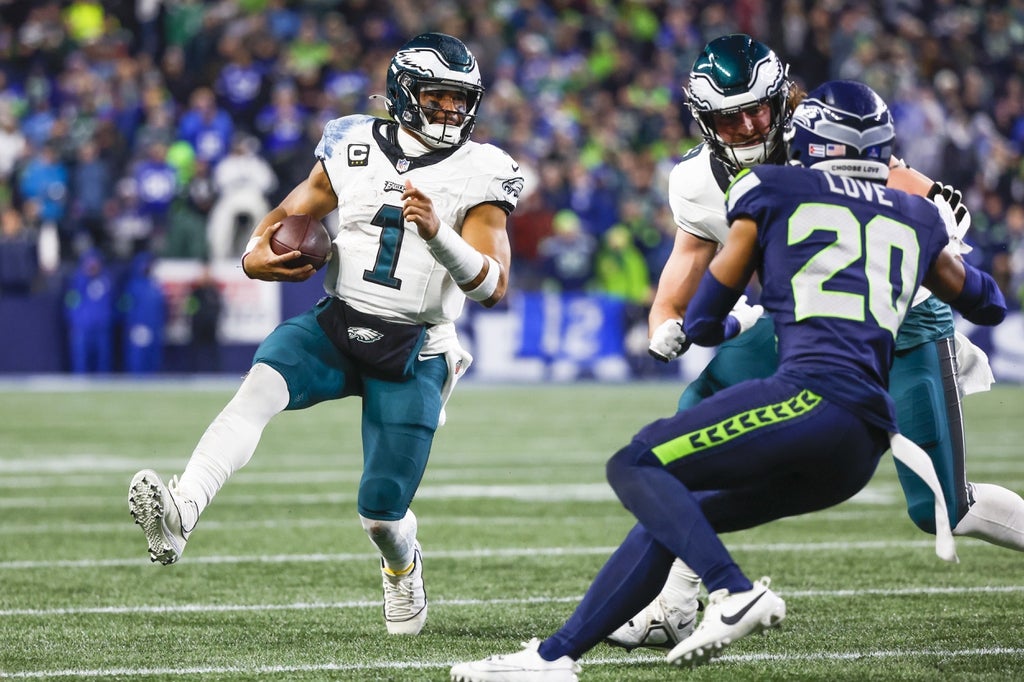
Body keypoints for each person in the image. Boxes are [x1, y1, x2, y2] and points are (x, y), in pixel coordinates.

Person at [449, 80, 1007, 681]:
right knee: (682, 506)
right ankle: (555, 658)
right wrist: (931, 232)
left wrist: (737, 312)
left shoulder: (768, 187)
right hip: (863, 438)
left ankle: (732, 590)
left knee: (636, 464)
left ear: (804, 137)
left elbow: (709, 318)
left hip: (814, 393)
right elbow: (989, 302)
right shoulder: (914, 215)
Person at [607, 34, 1024, 653]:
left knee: (943, 506)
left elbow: (903, 180)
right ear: (703, 119)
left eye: (759, 109)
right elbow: (685, 262)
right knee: (693, 420)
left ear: (782, 101)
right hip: (809, 323)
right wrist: (665, 320)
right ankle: (675, 603)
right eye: (732, 115)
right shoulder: (697, 180)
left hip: (902, 323)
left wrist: (935, 204)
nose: (750, 125)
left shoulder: (818, 140)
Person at [128, 33, 524, 637]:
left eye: (459, 99)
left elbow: (494, 287)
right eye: (438, 97)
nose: (451, 110)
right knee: (259, 386)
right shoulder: (351, 141)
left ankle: (402, 565)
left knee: (380, 513)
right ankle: (183, 509)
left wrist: (441, 233)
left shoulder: (483, 170)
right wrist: (253, 256)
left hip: (417, 348)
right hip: (338, 323)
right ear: (405, 93)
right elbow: (291, 215)